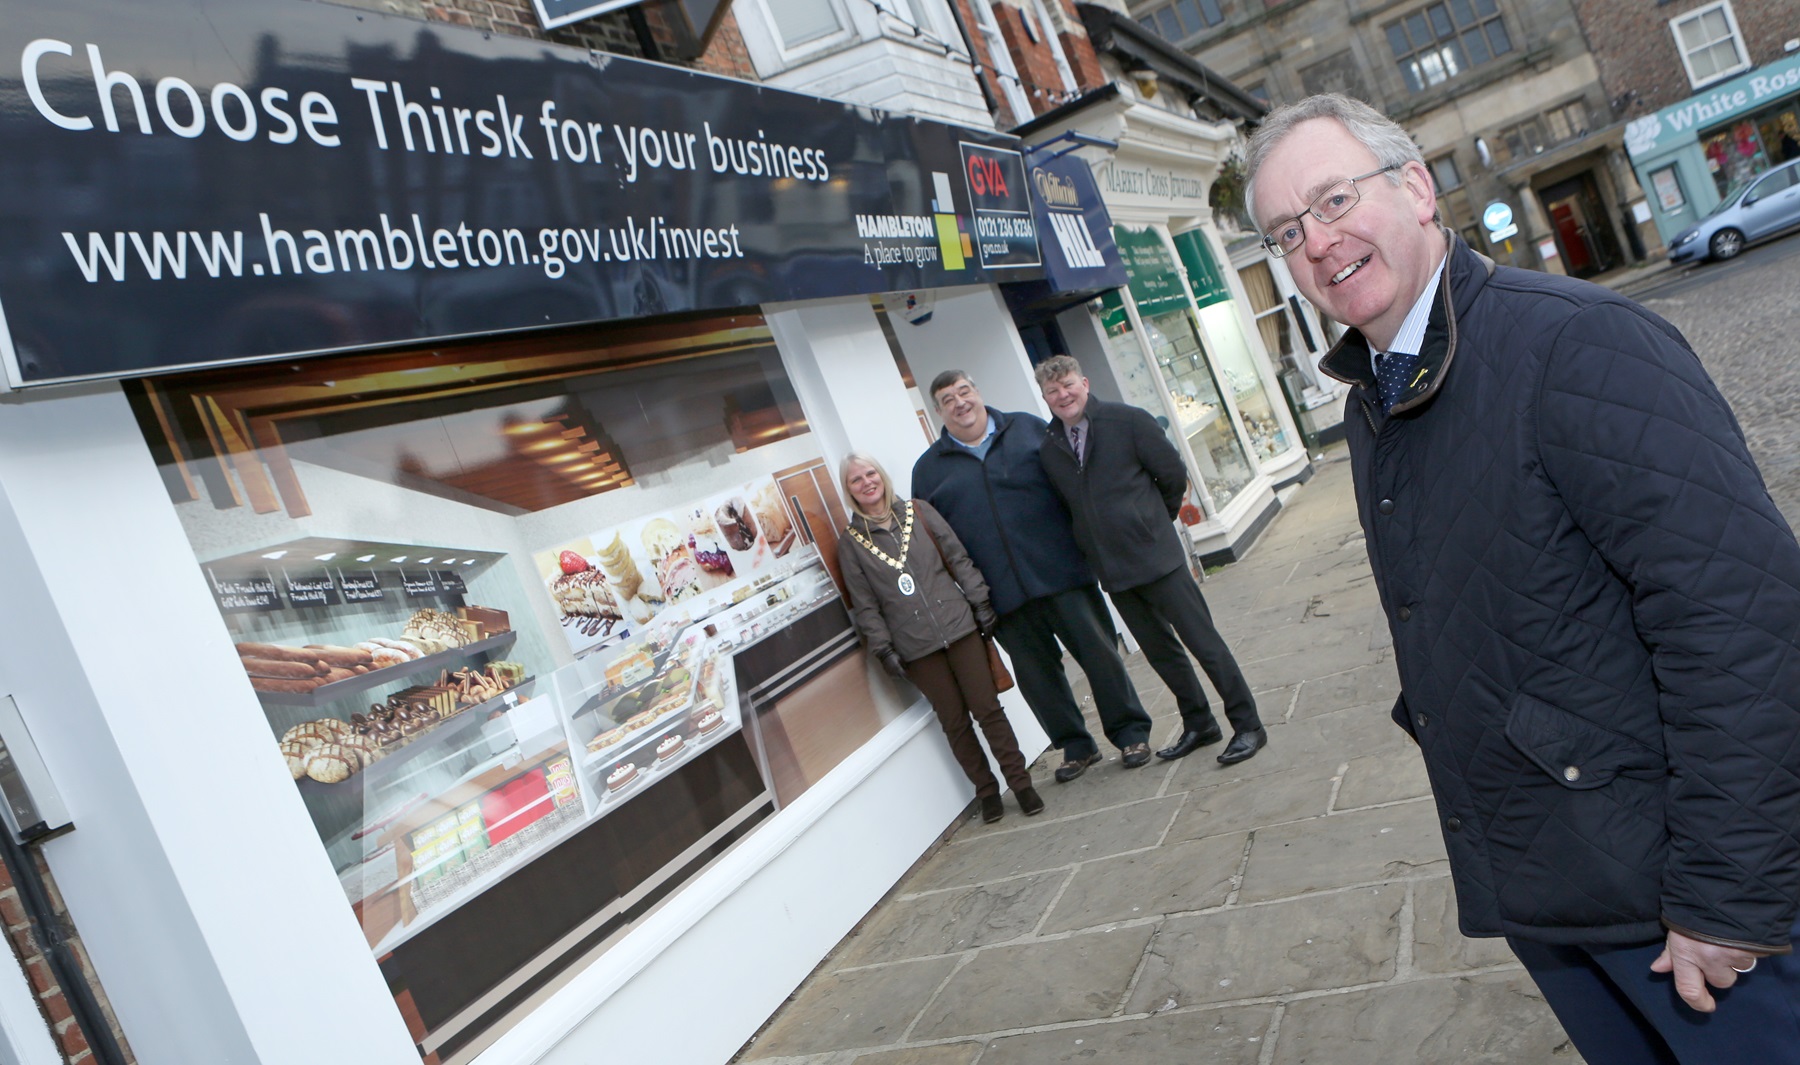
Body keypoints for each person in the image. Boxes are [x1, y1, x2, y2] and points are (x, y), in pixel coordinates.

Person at [1244, 92, 1800, 1064]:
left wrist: (1728, 898)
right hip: (1552, 892)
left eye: (1334, 201)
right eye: (1288, 231)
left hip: (1682, 905)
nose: (1317, 242)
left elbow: (1742, 623)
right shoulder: (1377, 398)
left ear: (1416, 188)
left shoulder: (1575, 343)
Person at [912, 371, 1157, 782]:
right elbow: (936, 541)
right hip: (1001, 593)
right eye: (947, 399)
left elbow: (1071, 486)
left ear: (978, 392)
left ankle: (1130, 732)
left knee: (1099, 656)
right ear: (937, 411)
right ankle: (1076, 746)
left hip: (1063, 572)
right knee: (1038, 677)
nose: (959, 403)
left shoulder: (1027, 428)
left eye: (964, 392)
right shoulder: (929, 470)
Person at [1033, 355, 1267, 765]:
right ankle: (1201, 723)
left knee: (1204, 644)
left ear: (1084, 383)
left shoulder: (1129, 421)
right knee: (1162, 654)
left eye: (1068, 384)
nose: (1062, 395)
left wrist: (1151, 522)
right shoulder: (1050, 447)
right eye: (1052, 391)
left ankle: (1248, 726)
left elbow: (1172, 476)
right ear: (1045, 397)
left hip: (1158, 560)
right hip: (1114, 573)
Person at [835, 452, 1045, 823]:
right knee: (955, 724)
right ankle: (987, 792)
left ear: (882, 475)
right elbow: (865, 606)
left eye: (871, 473)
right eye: (856, 479)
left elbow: (958, 557)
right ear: (848, 490)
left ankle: (1021, 784)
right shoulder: (851, 544)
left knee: (989, 711)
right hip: (916, 648)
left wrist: (980, 601)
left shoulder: (920, 512)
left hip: (960, 628)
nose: (866, 482)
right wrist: (883, 649)